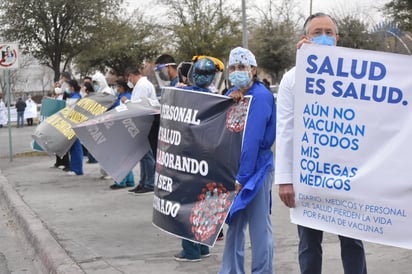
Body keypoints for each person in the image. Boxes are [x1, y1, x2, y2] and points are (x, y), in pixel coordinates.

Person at [275, 12, 367, 274]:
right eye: (317, 32)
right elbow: (286, 129)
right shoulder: (293, 78)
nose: (324, 37)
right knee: (309, 243)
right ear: (305, 38)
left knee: (352, 240)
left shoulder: (355, 73)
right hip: (308, 175)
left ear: (337, 39)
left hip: (347, 174)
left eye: (329, 32)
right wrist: (285, 179)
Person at [218, 47, 276, 274]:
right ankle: (231, 270)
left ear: (253, 69)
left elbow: (252, 140)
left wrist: (242, 177)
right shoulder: (234, 93)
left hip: (256, 169)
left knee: (260, 228)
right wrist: (229, 97)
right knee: (234, 224)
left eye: (241, 67)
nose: (237, 72)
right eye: (232, 68)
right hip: (235, 168)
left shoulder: (261, 97)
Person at [173, 57, 221, 262]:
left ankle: (190, 251)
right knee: (203, 203)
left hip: (189, 156)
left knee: (187, 202)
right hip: (209, 158)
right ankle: (203, 247)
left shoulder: (184, 94)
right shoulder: (216, 97)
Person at [122, 66, 159, 194]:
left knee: (146, 154)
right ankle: (143, 182)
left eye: (129, 78)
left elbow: (139, 105)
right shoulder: (141, 85)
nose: (129, 81)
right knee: (143, 155)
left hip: (146, 121)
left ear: (132, 75)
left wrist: (127, 102)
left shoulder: (142, 85)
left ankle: (149, 183)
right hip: (143, 121)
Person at [109, 80, 135, 190]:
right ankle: (129, 180)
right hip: (124, 128)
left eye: (118, 86)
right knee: (125, 156)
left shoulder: (125, 98)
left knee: (119, 156)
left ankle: (121, 181)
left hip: (122, 128)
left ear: (123, 87)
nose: (117, 89)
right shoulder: (122, 96)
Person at [65, 79, 83, 176]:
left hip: (74, 123)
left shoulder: (75, 97)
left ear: (72, 87)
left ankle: (77, 169)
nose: (67, 88)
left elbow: (69, 110)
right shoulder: (74, 96)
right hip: (73, 123)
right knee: (73, 147)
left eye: (68, 86)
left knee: (76, 147)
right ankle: (74, 168)